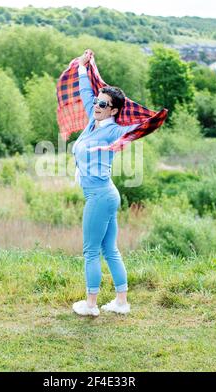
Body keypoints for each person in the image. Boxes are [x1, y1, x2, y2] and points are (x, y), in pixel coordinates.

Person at [72, 49, 140, 317]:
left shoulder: (113, 129)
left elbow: (136, 128)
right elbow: (86, 93)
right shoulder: (93, 121)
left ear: (113, 110)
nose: (97, 106)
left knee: (91, 251)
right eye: (98, 103)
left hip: (100, 195)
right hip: (107, 193)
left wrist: (147, 119)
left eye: (103, 105)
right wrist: (82, 67)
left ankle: (90, 305)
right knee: (109, 248)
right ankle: (121, 303)